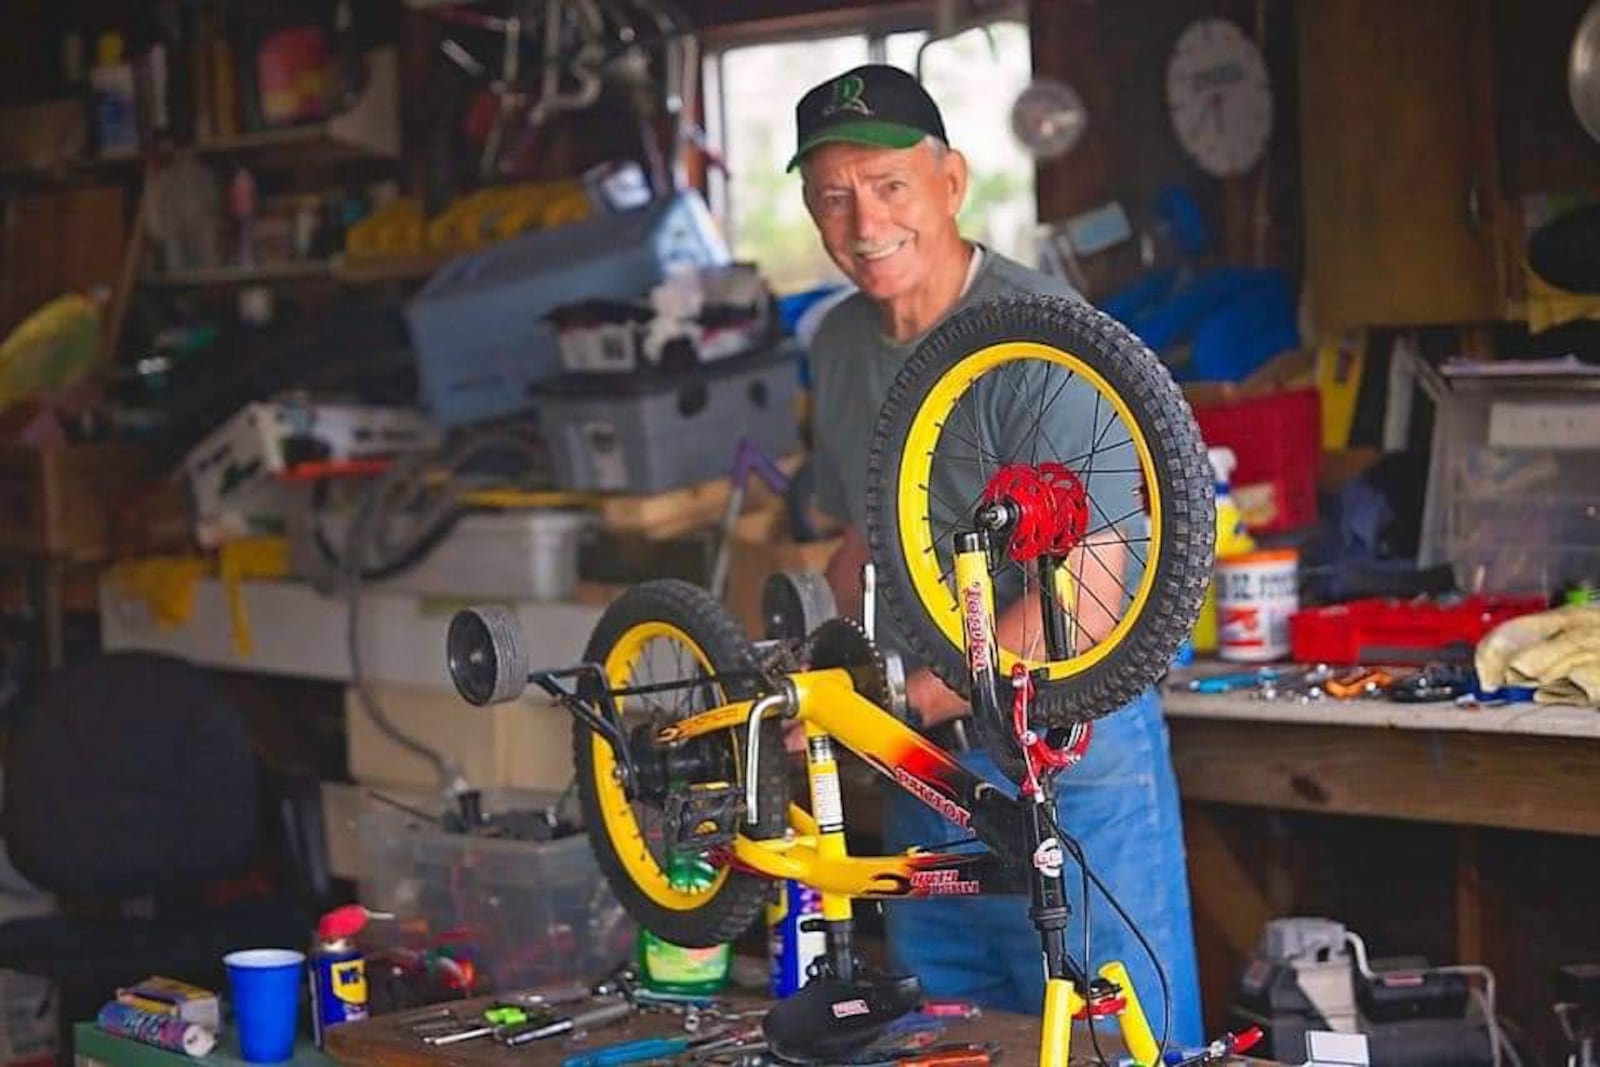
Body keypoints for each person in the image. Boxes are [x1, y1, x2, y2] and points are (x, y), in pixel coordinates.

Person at [789, 63, 1205, 1045]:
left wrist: (912, 695)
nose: (863, 222)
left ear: (952, 181)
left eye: (889, 186)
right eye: (832, 197)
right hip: (919, 766)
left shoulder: (1041, 338)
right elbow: (860, 532)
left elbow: (1101, 582)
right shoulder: (841, 342)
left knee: (1112, 1039)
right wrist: (824, 663)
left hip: (1066, 761)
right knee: (953, 1038)